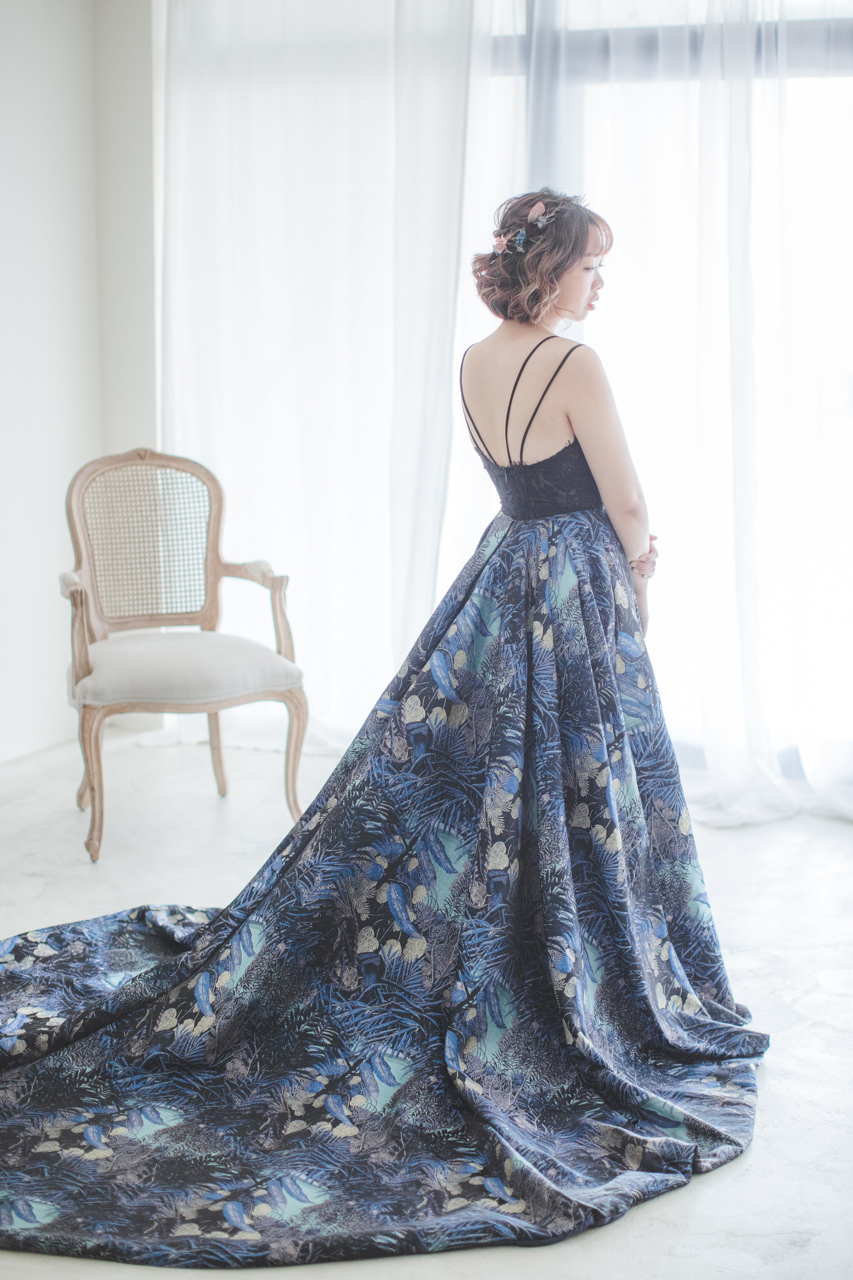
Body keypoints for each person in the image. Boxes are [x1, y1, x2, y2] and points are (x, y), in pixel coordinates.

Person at [0, 188, 768, 1269]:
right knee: (580, 779)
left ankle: (516, 928)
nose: (602, 284)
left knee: (489, 770)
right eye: (593, 265)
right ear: (548, 269)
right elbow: (626, 504)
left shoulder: (474, 360)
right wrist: (641, 572)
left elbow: (520, 481)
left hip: (503, 573)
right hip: (572, 585)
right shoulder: (574, 361)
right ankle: (564, 957)